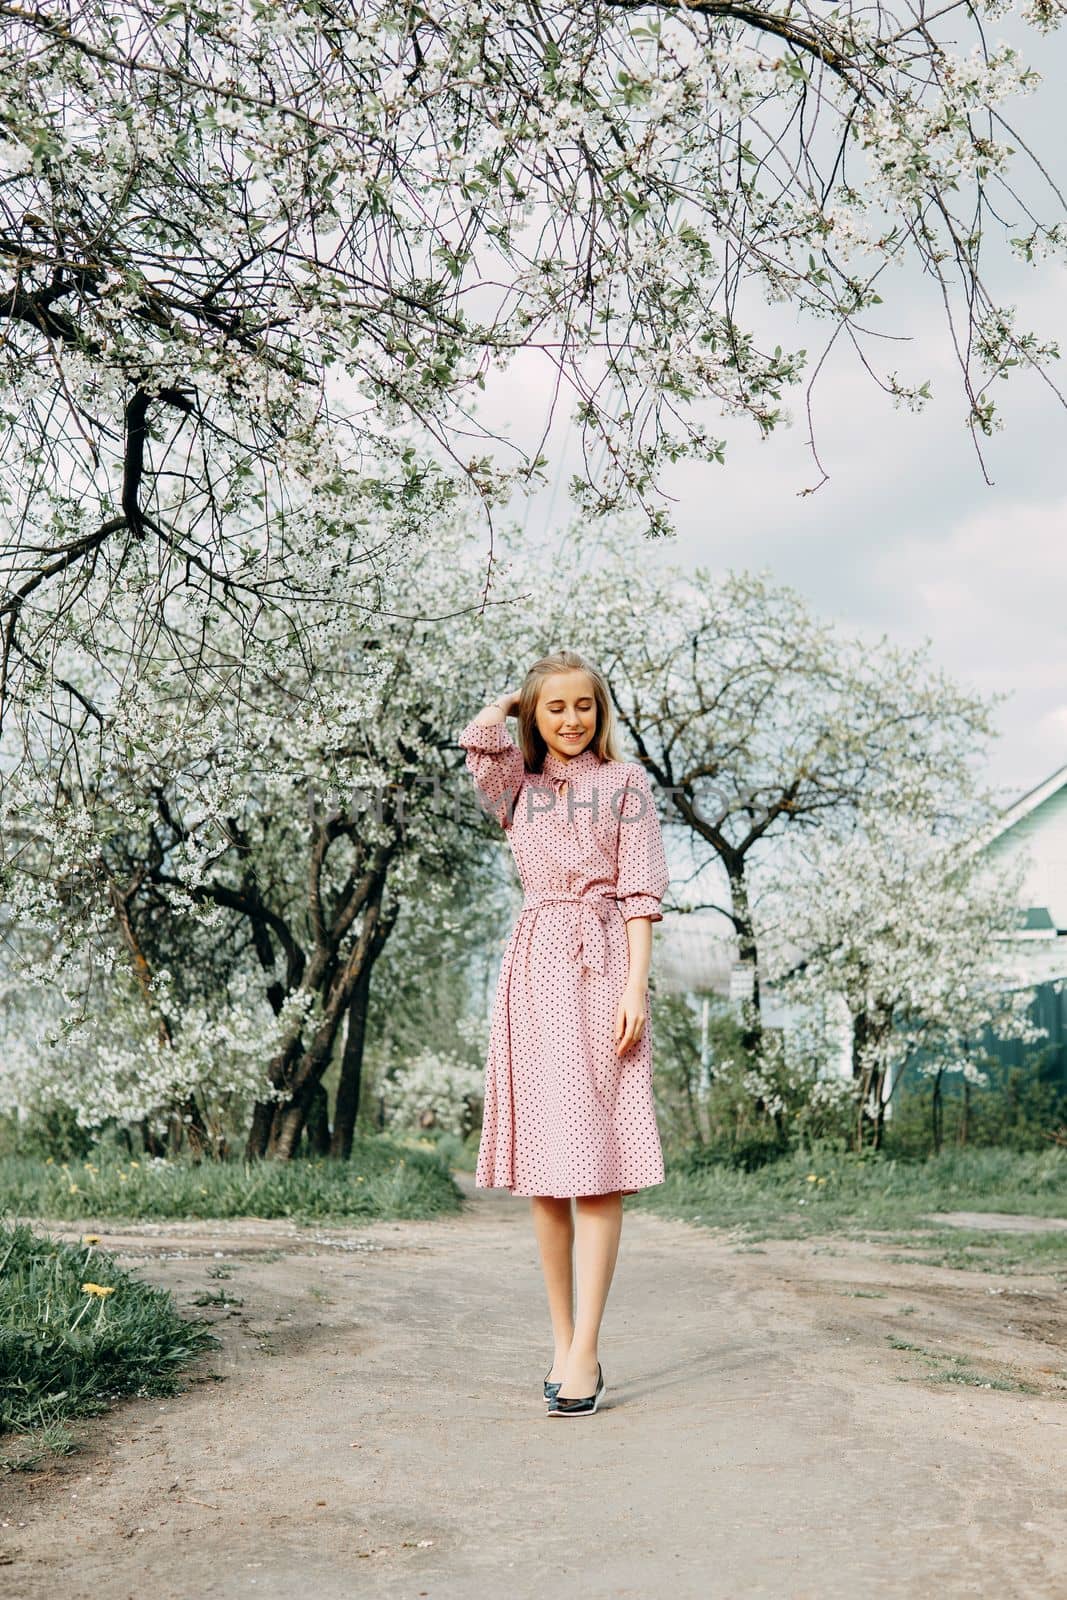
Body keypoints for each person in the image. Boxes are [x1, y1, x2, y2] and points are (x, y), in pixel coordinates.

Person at [458, 649, 670, 1417]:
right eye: (554, 708)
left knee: (600, 1165)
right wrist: (509, 705)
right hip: (535, 968)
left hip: (606, 957)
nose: (571, 719)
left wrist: (634, 986)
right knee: (548, 1173)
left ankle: (587, 1348)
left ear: (601, 710)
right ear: (533, 715)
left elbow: (643, 892)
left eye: (584, 705)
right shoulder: (517, 786)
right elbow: (478, 745)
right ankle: (560, 1338)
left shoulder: (627, 783)